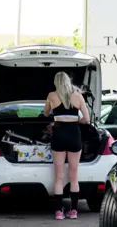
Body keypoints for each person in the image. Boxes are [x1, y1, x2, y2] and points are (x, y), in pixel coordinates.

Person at [43, 71, 90, 220]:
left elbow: (45, 114)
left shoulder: (52, 95)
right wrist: (74, 121)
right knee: (74, 176)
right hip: (74, 136)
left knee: (59, 177)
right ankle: (74, 211)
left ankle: (58, 212)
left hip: (58, 136)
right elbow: (87, 120)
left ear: (56, 82)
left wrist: (57, 117)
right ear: (68, 81)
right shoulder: (78, 96)